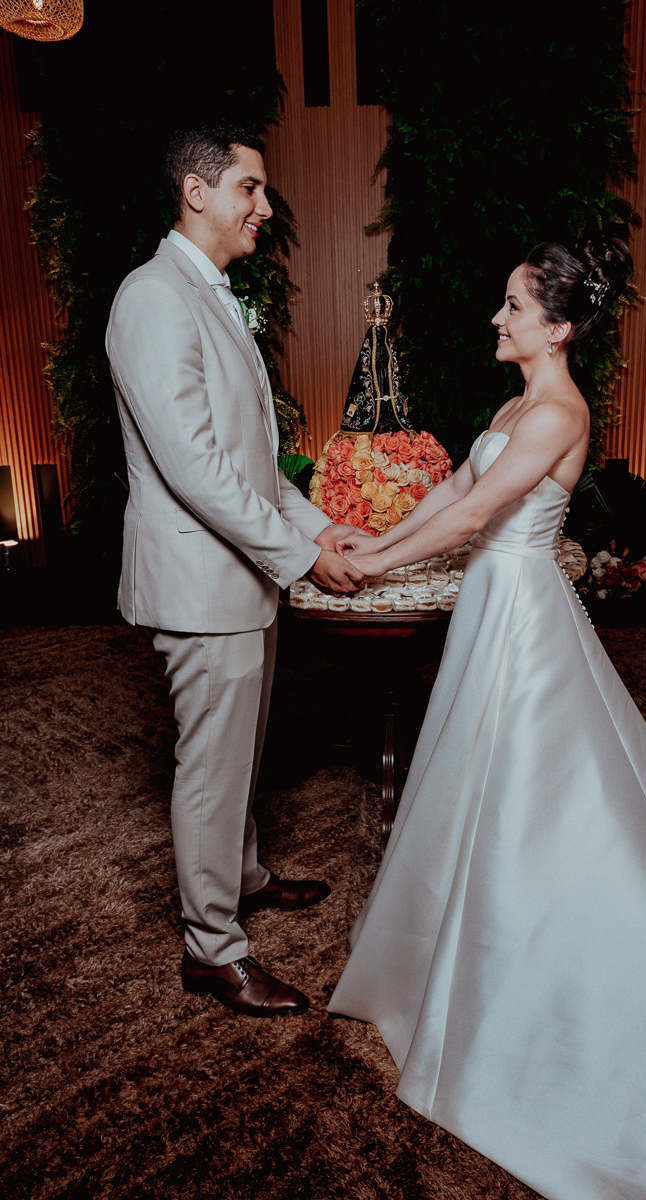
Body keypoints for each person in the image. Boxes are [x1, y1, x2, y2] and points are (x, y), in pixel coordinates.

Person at [328, 239, 646, 1198]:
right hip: (489, 608)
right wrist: (371, 538)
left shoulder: (559, 412)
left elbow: (470, 527)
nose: (496, 319)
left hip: (524, 613)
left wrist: (370, 570)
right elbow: (455, 492)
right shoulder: (512, 407)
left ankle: (527, 941)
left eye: (512, 306)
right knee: (473, 768)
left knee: (532, 780)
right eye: (502, 304)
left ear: (559, 327)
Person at [106, 124, 363, 1018]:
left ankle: (243, 875)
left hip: (236, 580)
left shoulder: (209, 294)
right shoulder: (153, 298)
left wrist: (327, 525)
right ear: (197, 191)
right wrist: (302, 559)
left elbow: (250, 463)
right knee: (211, 767)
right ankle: (212, 951)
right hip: (199, 587)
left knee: (241, 749)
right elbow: (195, 470)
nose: (264, 206)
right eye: (250, 189)